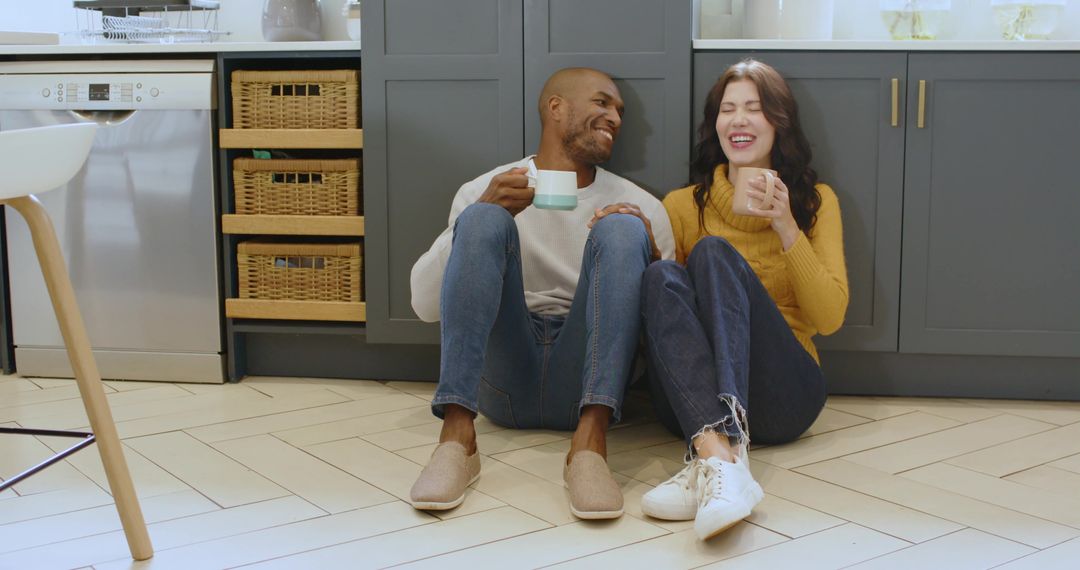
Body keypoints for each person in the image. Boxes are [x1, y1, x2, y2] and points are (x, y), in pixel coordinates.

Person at [408, 67, 676, 519]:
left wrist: (646, 250)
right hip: (504, 377)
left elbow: (666, 331)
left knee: (622, 228)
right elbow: (423, 305)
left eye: (619, 111)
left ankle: (589, 448)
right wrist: (476, 217)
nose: (614, 117)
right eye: (602, 102)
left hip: (589, 378)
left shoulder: (642, 205)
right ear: (556, 108)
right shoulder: (485, 188)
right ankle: (456, 439)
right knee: (480, 219)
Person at [639, 59, 848, 540]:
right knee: (661, 274)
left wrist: (785, 225)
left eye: (754, 108)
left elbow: (830, 317)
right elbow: (671, 316)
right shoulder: (682, 205)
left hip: (785, 397)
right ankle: (719, 456)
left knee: (713, 252)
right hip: (691, 405)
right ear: (715, 125)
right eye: (727, 109)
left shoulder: (816, 202)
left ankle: (720, 460)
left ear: (779, 121)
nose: (738, 120)